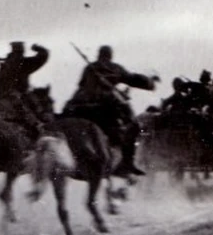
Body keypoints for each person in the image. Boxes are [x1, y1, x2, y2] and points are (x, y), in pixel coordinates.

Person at [63, 45, 158, 177]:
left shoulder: (89, 68)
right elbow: (132, 79)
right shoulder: (115, 68)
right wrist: (149, 83)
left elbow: (81, 85)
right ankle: (127, 162)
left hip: (79, 108)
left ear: (98, 54)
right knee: (134, 126)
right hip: (104, 109)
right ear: (110, 56)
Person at [0, 41, 50, 137]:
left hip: (0, 99)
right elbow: (43, 57)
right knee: (37, 115)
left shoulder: (5, 65)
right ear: (22, 51)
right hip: (17, 99)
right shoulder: (23, 63)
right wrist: (38, 48)